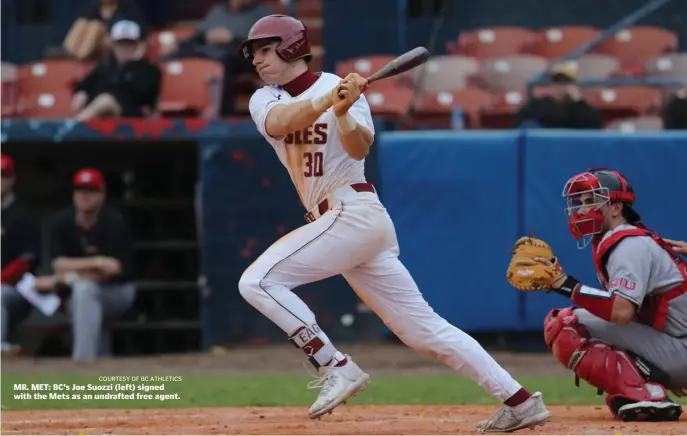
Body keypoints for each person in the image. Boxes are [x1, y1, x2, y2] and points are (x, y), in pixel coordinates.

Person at [236, 14, 551, 432]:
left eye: (264, 49)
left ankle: (335, 366)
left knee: (257, 282)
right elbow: (282, 123)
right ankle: (520, 401)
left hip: (353, 211)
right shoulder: (266, 99)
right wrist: (329, 101)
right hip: (342, 223)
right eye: (254, 53)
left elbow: (359, 145)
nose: (257, 60)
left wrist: (345, 112)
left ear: (292, 46)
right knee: (423, 331)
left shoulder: (341, 89)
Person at [510, 168, 686, 421]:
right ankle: (650, 386)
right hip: (677, 344)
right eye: (580, 203)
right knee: (582, 319)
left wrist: (565, 284)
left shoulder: (629, 245)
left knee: (565, 324)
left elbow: (621, 312)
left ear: (616, 208)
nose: (581, 210)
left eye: (591, 201)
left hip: (680, 347)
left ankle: (648, 394)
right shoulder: (624, 241)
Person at [48, 168, 136, 360]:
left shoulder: (114, 222)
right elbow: (58, 265)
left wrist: (71, 275)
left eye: (90, 190)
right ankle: (101, 366)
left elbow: (114, 270)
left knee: (84, 290)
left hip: (117, 293)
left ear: (102, 194)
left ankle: (82, 363)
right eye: (80, 190)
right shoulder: (61, 221)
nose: (84, 195)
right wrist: (96, 261)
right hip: (78, 296)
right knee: (84, 294)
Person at [72, 19, 162, 121]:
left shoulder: (149, 70)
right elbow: (84, 84)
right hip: (99, 118)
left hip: (130, 117)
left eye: (130, 43)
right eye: (121, 43)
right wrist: (81, 91)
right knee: (102, 103)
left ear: (138, 44)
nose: (125, 47)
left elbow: (143, 96)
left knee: (106, 102)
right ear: (113, 45)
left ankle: (72, 130)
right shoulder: (104, 67)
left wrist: (134, 63)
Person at [0, 154, 41, 354]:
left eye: (2, 175)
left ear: (12, 180)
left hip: (19, 290)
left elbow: (23, 264)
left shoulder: (22, 215)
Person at [514, 62, 602, 129]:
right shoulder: (536, 105)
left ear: (575, 86)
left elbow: (592, 127)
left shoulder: (585, 109)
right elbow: (519, 124)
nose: (560, 87)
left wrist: (577, 101)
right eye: (557, 82)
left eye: (565, 83)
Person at [63, 0, 144, 61]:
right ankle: (71, 53)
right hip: (93, 47)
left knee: (96, 27)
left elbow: (141, 35)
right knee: (82, 23)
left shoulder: (127, 7)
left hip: (116, 44)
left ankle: (80, 56)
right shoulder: (95, 7)